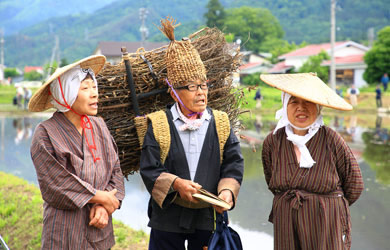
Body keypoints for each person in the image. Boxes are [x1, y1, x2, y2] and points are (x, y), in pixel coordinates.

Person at [139, 18, 244, 250]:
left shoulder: (221, 122)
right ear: (174, 91)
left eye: (203, 85)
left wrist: (227, 192)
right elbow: (149, 168)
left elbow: (233, 163)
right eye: (191, 87)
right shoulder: (158, 124)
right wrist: (176, 184)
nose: (200, 93)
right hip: (166, 218)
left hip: (208, 217)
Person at [29, 55, 125, 249]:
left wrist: (104, 206)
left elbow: (115, 170)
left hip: (99, 228)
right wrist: (100, 196)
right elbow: (55, 184)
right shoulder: (45, 133)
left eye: (94, 86)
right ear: (66, 94)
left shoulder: (99, 125)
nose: (94, 93)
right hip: (64, 232)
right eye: (85, 88)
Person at [260, 73, 364, 250]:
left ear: (318, 107)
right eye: (294, 101)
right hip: (286, 222)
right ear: (285, 105)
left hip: (326, 224)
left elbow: (354, 185)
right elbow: (272, 181)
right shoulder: (273, 141)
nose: (301, 108)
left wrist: (329, 207)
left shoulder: (331, 139)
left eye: (308, 101)